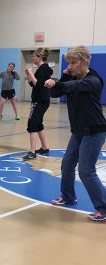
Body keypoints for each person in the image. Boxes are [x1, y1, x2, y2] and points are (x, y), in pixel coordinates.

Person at [44, 46, 106, 222]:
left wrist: (59, 82)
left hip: (94, 131)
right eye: (68, 63)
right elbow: (56, 92)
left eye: (74, 62)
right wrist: (63, 76)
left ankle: (103, 208)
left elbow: (74, 87)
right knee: (67, 164)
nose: (70, 66)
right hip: (79, 131)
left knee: (86, 171)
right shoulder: (71, 77)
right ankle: (68, 196)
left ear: (84, 62)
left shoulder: (93, 80)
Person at [23, 47, 53, 160]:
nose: (32, 58)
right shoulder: (41, 69)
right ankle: (44, 148)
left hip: (41, 100)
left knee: (32, 124)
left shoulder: (44, 69)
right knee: (38, 124)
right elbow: (33, 84)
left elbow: (39, 85)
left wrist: (30, 72)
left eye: (34, 56)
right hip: (39, 100)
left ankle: (32, 152)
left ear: (39, 57)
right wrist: (28, 74)